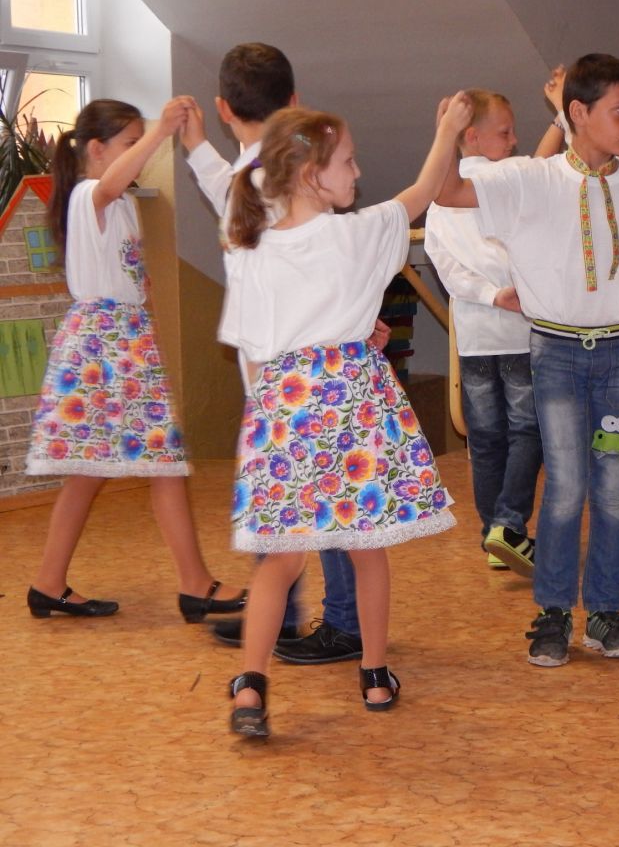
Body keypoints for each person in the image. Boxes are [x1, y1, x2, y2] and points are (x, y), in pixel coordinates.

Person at [223, 99, 466, 737]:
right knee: (366, 550)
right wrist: (447, 130)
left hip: (283, 408)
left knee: (281, 560)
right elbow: (418, 195)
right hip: (349, 405)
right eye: (349, 162)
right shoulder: (355, 234)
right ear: (311, 174)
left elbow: (254, 351)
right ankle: (375, 675)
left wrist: (266, 426)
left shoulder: (251, 249)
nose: (357, 173)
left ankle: (250, 686)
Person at [435, 53, 619, 668]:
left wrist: (614, 292)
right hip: (559, 355)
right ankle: (553, 612)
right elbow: (447, 192)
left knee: (614, 487)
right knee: (566, 486)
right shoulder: (531, 179)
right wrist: (446, 134)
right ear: (578, 112)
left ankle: (606, 612)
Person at [181, 42, 370, 663]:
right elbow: (231, 194)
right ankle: (282, 614)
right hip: (285, 370)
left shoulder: (270, 176)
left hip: (292, 373)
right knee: (291, 499)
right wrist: (197, 148)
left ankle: (341, 622)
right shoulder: (258, 172)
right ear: (293, 100)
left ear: (224, 108)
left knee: (319, 498)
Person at [25, 98, 246, 624]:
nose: (139, 154)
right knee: (160, 464)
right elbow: (106, 186)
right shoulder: (89, 195)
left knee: (96, 471)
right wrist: (161, 132)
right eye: (129, 144)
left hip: (121, 345)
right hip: (101, 348)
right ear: (96, 149)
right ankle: (195, 585)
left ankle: (48, 584)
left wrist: (145, 340)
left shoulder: (121, 203)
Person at [422, 88, 541, 574]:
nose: (513, 141)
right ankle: (507, 525)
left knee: (486, 439)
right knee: (528, 431)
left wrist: (488, 294)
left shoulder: (439, 197)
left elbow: (446, 267)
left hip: (475, 338)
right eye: (505, 132)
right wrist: (504, 293)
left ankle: (494, 533)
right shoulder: (507, 181)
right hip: (518, 333)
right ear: (471, 136)